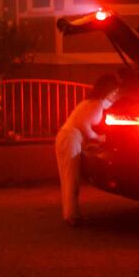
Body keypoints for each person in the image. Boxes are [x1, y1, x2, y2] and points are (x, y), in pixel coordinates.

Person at [55, 73, 119, 226]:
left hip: (67, 138)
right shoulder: (95, 104)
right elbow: (84, 126)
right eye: (114, 90)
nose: (116, 93)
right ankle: (72, 217)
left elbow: (105, 105)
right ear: (108, 89)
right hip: (70, 139)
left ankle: (71, 215)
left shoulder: (92, 102)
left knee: (69, 178)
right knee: (71, 178)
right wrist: (99, 138)